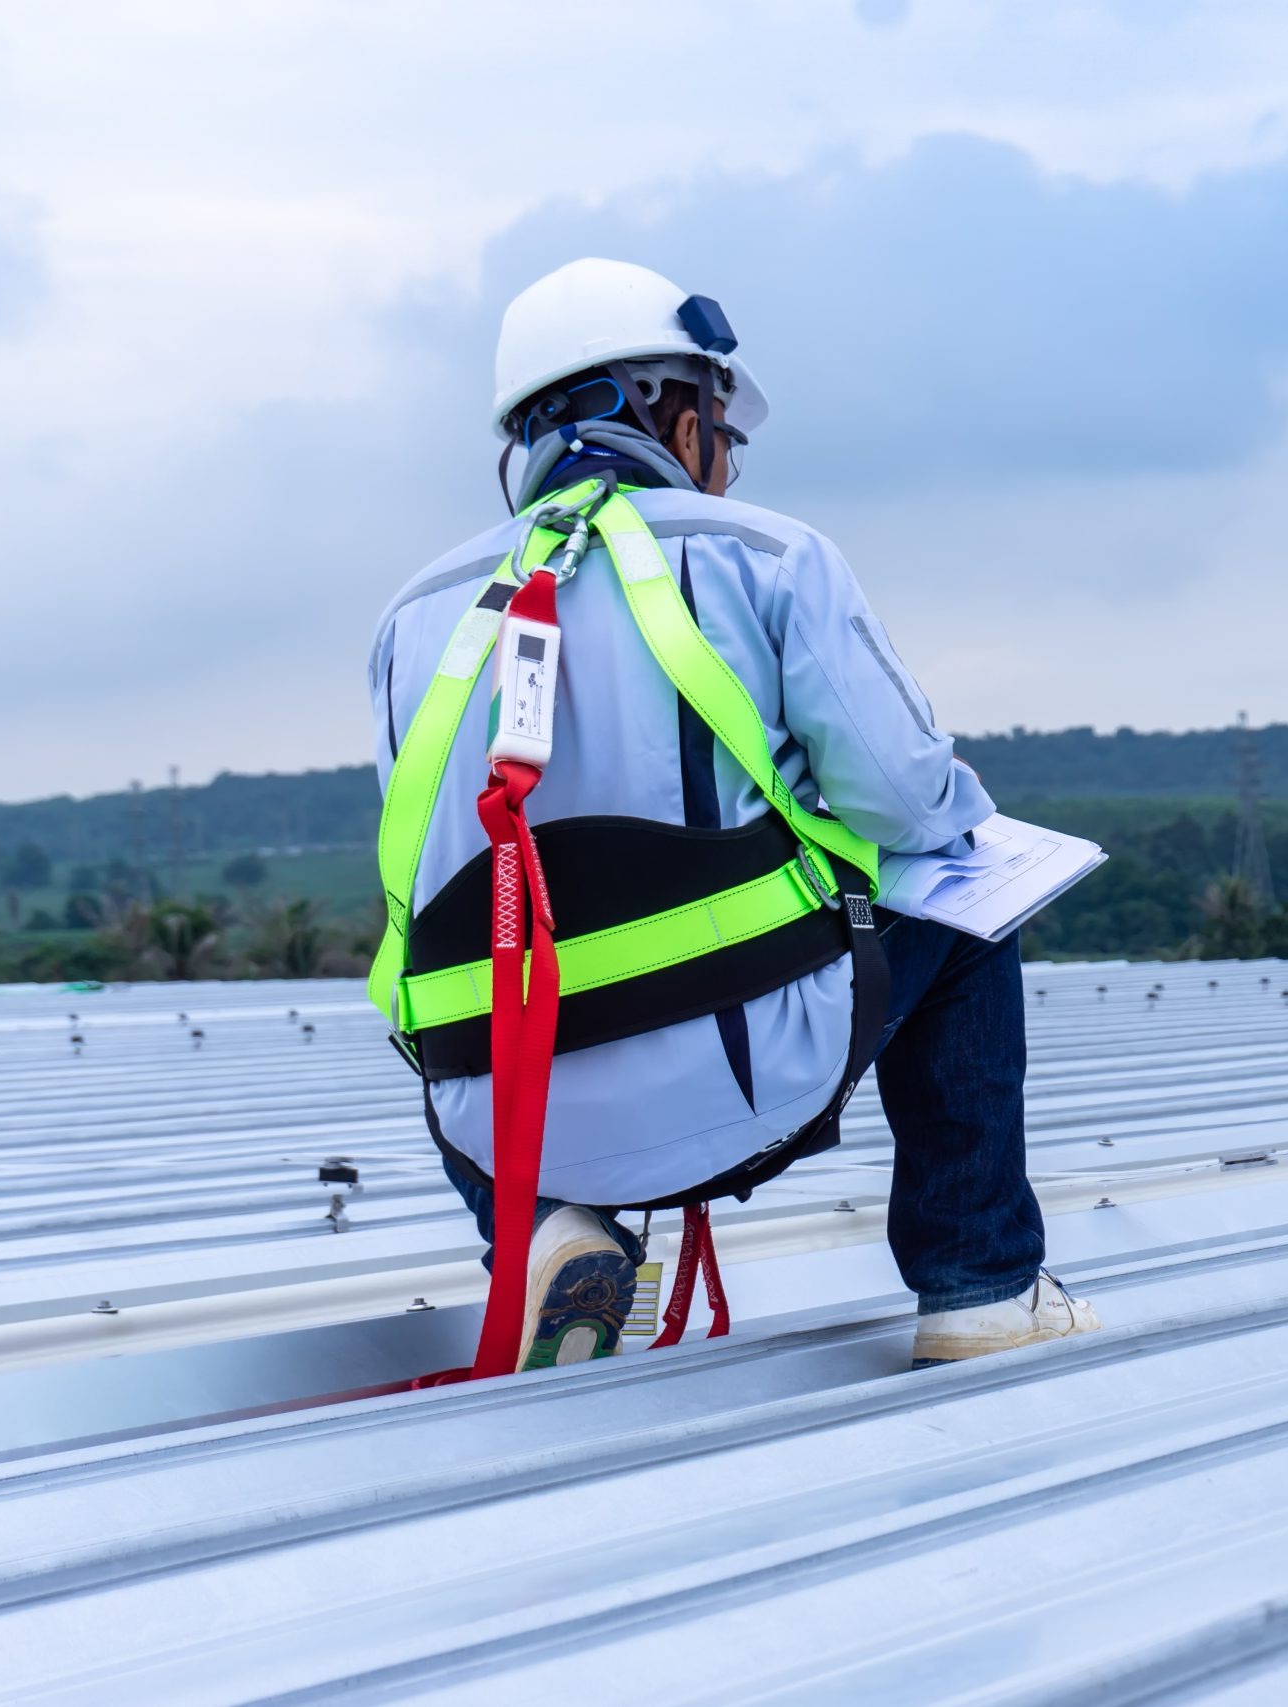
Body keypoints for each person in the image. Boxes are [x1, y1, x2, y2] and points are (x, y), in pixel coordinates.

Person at [366, 257, 1097, 1372]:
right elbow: (901, 803)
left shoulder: (412, 617)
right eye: (720, 424)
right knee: (969, 903)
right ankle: (980, 1286)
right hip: (746, 1071)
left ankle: (544, 1235)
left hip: (510, 1119)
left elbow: (430, 873)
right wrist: (959, 817)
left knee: (447, 992)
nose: (727, 458)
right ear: (664, 406)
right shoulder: (766, 554)